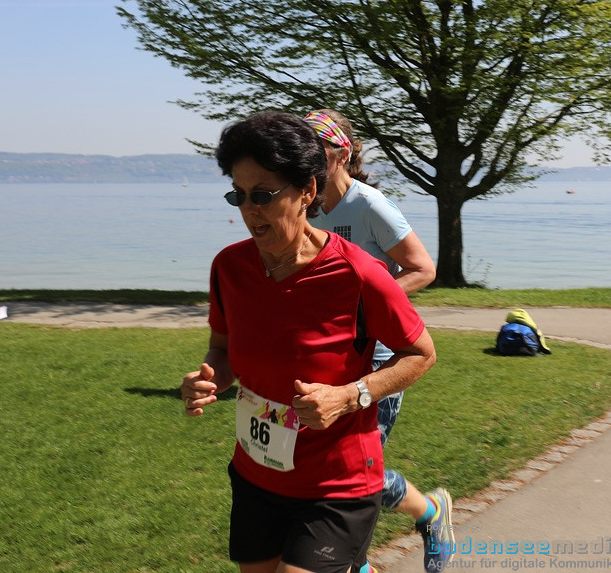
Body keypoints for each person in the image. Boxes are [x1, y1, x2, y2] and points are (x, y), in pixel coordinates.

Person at [181, 111, 438, 573]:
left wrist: (350, 395)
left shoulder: (360, 274)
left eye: (262, 194)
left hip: (335, 484)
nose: (248, 210)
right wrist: (210, 378)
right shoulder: (228, 268)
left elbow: (420, 354)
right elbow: (222, 349)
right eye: (237, 195)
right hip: (256, 472)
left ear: (307, 192)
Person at [303, 109, 451, 573]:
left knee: (352, 471)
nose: (305, 157)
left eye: (315, 148)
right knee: (329, 469)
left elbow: (423, 268)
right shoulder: (307, 207)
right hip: (330, 354)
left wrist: (367, 306)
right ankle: (425, 515)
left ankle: (422, 519)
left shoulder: (369, 205)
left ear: (342, 152)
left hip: (383, 356)